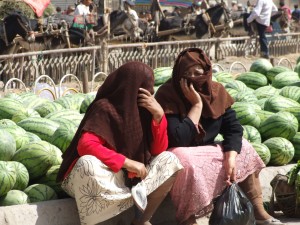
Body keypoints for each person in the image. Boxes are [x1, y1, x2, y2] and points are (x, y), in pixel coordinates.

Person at [155, 48, 285, 225]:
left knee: (245, 147)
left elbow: (234, 129)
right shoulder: (167, 94)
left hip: (206, 150)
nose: (193, 78)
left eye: (198, 73)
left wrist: (231, 156)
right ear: (178, 74)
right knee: (182, 158)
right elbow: (179, 139)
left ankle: (258, 209)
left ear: (207, 72)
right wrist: (197, 106)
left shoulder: (217, 91)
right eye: (187, 73)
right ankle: (188, 218)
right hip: (179, 152)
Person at [56, 61, 183, 225]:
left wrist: (159, 117)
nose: (149, 92)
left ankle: (141, 220)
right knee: (87, 164)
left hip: (130, 179)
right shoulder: (104, 107)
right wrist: (127, 163)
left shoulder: (146, 110)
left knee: (169, 159)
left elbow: (158, 149)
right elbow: (86, 145)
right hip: (103, 177)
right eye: (144, 87)